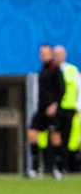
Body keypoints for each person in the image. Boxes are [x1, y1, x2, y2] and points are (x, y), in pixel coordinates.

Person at [26, 45, 64, 178]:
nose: (44, 55)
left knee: (55, 138)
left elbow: (61, 89)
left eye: (46, 53)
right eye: (42, 53)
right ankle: (36, 168)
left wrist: (55, 105)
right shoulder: (42, 70)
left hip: (52, 110)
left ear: (51, 54)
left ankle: (59, 168)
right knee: (31, 134)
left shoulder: (55, 69)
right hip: (41, 110)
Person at [53, 45, 80, 175]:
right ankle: (54, 166)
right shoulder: (50, 70)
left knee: (67, 138)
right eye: (56, 53)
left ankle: (65, 166)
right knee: (55, 137)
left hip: (69, 109)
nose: (58, 56)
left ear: (65, 55)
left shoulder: (72, 70)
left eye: (60, 53)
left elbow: (79, 89)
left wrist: (78, 106)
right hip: (55, 109)